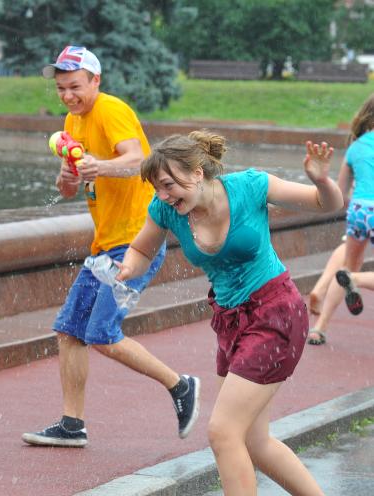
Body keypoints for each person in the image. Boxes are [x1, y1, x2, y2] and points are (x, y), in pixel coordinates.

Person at [115, 130, 343, 495]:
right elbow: (141, 250)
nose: (164, 195)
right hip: (231, 322)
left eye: (169, 184)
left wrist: (321, 180)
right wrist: (127, 268)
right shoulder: (165, 210)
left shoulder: (250, 186)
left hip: (276, 314)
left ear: (197, 173)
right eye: (158, 188)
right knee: (254, 441)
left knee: (223, 431)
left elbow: (326, 203)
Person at [22, 46, 200, 448]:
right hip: (105, 246)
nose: (68, 95)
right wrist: (68, 175)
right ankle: (72, 425)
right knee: (69, 331)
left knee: (101, 333)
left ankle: (181, 386)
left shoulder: (111, 109)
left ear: (95, 81)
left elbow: (140, 160)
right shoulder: (72, 120)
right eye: (61, 88)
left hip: (137, 242)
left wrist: (99, 165)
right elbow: (67, 187)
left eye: (75, 86)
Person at [308, 94, 374, 345]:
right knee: (352, 273)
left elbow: (341, 193)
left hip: (358, 212)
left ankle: (319, 328)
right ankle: (355, 280)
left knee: (347, 265)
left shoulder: (355, 147)